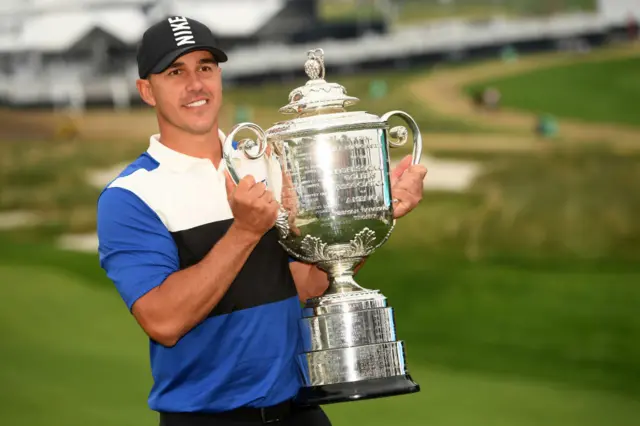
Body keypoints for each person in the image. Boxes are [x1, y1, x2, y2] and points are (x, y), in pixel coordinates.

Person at [96, 16, 428, 426]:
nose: (195, 84)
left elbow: (308, 284)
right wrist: (245, 231)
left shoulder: (269, 163)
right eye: (175, 72)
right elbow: (163, 320)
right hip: (208, 419)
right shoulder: (130, 197)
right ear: (146, 90)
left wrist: (367, 212)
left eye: (205, 67)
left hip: (299, 411)